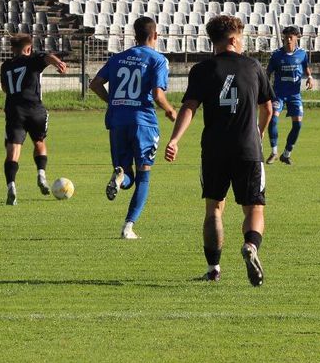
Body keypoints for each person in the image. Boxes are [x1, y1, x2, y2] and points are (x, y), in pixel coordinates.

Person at [166, 15, 274, 285]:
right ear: (233, 39)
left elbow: (189, 107)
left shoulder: (202, 70)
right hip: (248, 148)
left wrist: (175, 139)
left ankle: (214, 268)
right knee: (254, 209)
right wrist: (259, 132)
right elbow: (268, 108)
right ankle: (251, 246)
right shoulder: (252, 66)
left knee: (214, 209)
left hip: (213, 149)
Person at [90, 16, 177, 239]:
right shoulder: (158, 60)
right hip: (144, 123)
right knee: (144, 176)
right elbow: (158, 95)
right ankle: (128, 227)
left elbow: (95, 84)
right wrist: (169, 109)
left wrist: (113, 101)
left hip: (117, 120)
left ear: (134, 35)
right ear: (155, 36)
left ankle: (119, 176)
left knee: (126, 174)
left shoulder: (118, 57)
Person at [0, 34, 67, 205]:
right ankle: (41, 175)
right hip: (35, 109)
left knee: (13, 150)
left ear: (12, 49)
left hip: (14, 110)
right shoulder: (31, 60)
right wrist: (57, 62)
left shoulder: (5, 66)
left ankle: (11, 187)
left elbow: (4, 88)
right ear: (28, 49)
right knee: (39, 141)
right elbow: (46, 57)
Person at [266, 25, 314, 164]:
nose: (288, 39)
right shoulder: (276, 55)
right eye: (286, 37)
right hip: (278, 94)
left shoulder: (302, 54)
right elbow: (268, 73)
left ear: (296, 38)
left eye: (291, 37)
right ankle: (274, 152)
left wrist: (310, 77)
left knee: (298, 125)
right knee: (273, 119)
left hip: (294, 95)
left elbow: (306, 67)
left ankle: (286, 154)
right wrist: (265, 87)